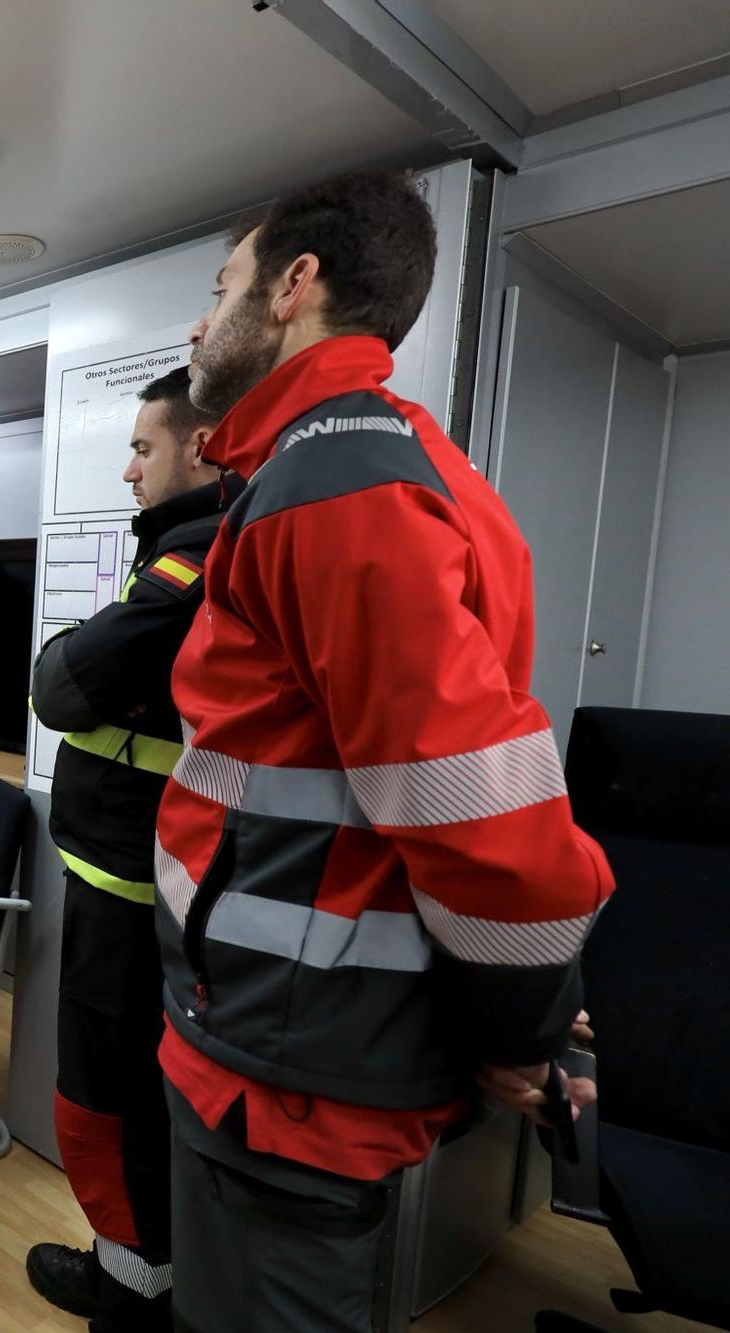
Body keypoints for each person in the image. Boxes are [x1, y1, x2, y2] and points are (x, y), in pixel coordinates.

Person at [155, 171, 614, 1331]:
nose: (200, 325)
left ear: (294, 286)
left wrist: (512, 1026)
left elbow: (478, 811)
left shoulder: (334, 487)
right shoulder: (387, 464)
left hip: (286, 1059)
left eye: (219, 292)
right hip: (280, 1033)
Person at [24, 365, 237, 1332]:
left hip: (131, 875)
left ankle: (130, 1287)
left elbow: (59, 689)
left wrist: (71, 648)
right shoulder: (198, 548)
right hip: (154, 869)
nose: (128, 471)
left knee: (106, 1089)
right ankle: (155, 1269)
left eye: (143, 448)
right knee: (142, 1088)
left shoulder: (193, 560)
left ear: (199, 446)